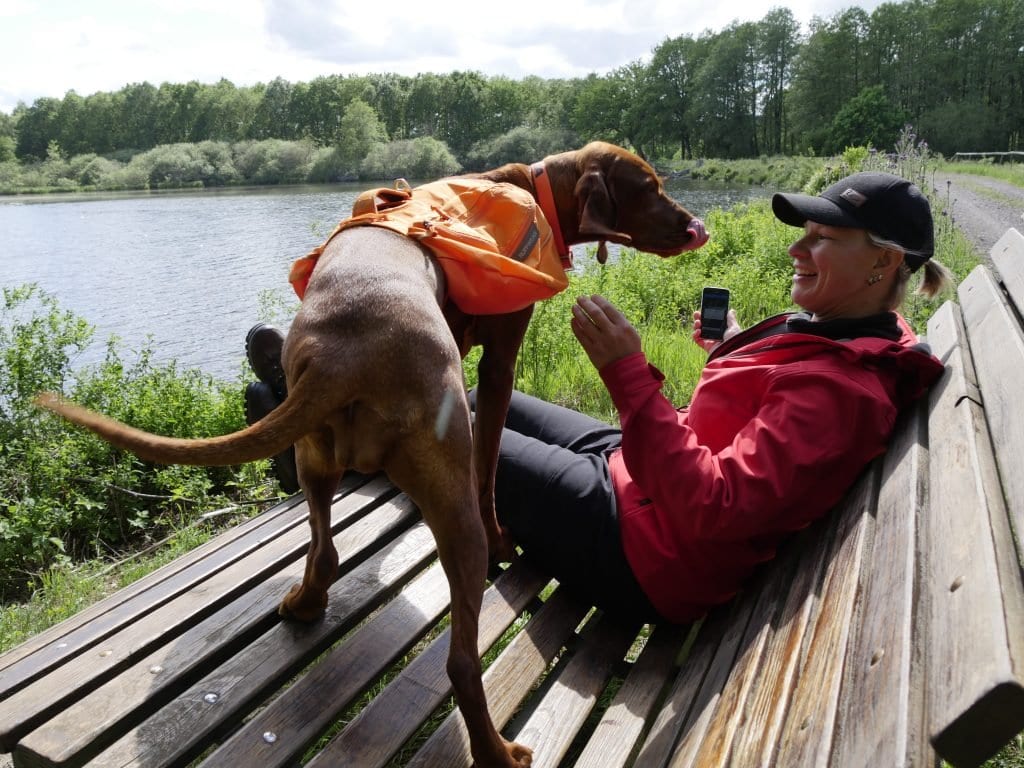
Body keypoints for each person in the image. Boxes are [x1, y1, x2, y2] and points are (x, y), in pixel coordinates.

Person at [245, 171, 951, 626]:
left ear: (884, 264)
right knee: (463, 396)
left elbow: (717, 511)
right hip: (637, 475)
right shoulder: (862, 335)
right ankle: (310, 403)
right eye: (804, 233)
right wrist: (730, 344)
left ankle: (301, 413)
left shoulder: (846, 393)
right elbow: (770, 409)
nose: (800, 250)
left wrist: (627, 374)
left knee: (437, 426)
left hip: (641, 547)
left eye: (824, 239)